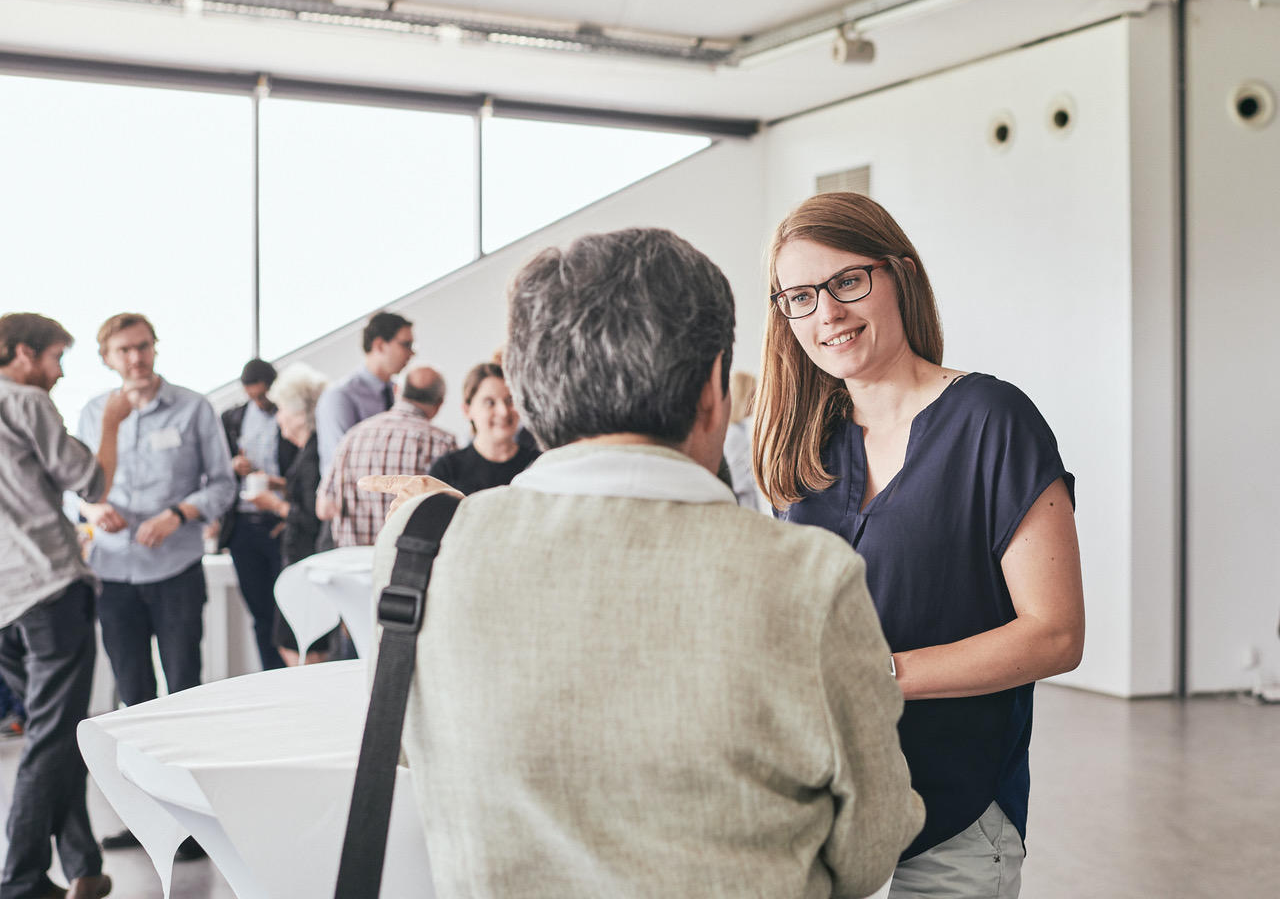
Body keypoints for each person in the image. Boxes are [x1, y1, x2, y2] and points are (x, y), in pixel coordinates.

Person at [361, 227, 923, 898]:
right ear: (714, 385)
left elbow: (406, 754)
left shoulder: (419, 551)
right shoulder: (808, 579)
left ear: (529, 388)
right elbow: (870, 849)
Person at [755, 192, 1085, 898]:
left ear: (898, 274)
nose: (828, 314)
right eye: (801, 297)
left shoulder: (992, 420)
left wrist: (879, 674)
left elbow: (1055, 635)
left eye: (847, 282)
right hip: (824, 809)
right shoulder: (802, 449)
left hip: (955, 814)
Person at [77, 313, 236, 859]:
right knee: (133, 699)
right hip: (114, 573)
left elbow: (222, 485)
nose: (136, 359)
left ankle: (196, 821)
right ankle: (146, 819)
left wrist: (177, 513)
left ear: (155, 349)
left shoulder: (194, 408)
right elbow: (74, 491)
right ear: (107, 358)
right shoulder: (94, 411)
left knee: (184, 690)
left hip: (175, 570)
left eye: (143, 347)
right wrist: (94, 508)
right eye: (124, 351)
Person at [0, 312, 133, 899]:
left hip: (5, 604)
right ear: (23, 354)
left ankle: (82, 866)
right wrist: (110, 422)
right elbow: (93, 482)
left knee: (54, 732)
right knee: (54, 738)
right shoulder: (26, 402)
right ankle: (22, 878)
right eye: (55, 358)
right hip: (49, 589)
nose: (57, 372)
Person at [245, 363, 332, 665]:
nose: (278, 417)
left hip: (307, 562)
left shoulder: (313, 455)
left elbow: (311, 516)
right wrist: (278, 484)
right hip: (304, 561)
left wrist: (274, 504)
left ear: (297, 414)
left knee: (300, 649)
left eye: (281, 409)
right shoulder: (311, 452)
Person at [216, 358, 297, 672]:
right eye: (253, 396)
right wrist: (233, 466)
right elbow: (215, 465)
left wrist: (273, 482)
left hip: (280, 523)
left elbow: (302, 478)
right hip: (243, 528)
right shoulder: (233, 418)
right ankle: (270, 676)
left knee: (286, 610)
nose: (259, 402)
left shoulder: (289, 417)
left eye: (263, 396)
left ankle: (292, 678)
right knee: (260, 615)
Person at [317, 366, 456, 548]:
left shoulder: (352, 437)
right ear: (439, 404)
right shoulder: (442, 442)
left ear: (397, 390)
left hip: (351, 563)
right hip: (403, 563)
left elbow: (324, 508)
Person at [314, 311, 414, 478]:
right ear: (380, 345)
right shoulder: (341, 396)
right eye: (406, 345)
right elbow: (340, 463)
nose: (412, 354)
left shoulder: (399, 392)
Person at [426, 363, 538, 495]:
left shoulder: (538, 465)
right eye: (490, 402)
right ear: (467, 410)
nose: (503, 412)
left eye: (510, 400)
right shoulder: (447, 470)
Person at [722, 369, 762, 511]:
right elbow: (739, 482)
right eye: (752, 395)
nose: (756, 400)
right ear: (742, 397)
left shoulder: (737, 430)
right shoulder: (734, 435)